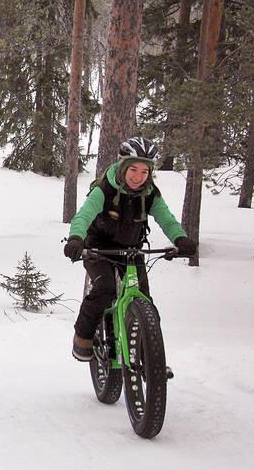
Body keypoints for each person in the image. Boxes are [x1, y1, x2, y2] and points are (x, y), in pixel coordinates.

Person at [63, 137, 198, 361]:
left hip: (131, 250)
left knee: (145, 301)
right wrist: (76, 239)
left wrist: (181, 238)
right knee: (105, 288)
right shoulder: (104, 189)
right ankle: (83, 335)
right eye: (133, 169)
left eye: (145, 172)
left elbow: (167, 219)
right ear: (124, 167)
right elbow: (84, 215)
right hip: (98, 249)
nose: (138, 177)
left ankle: (151, 359)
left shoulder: (149, 194)